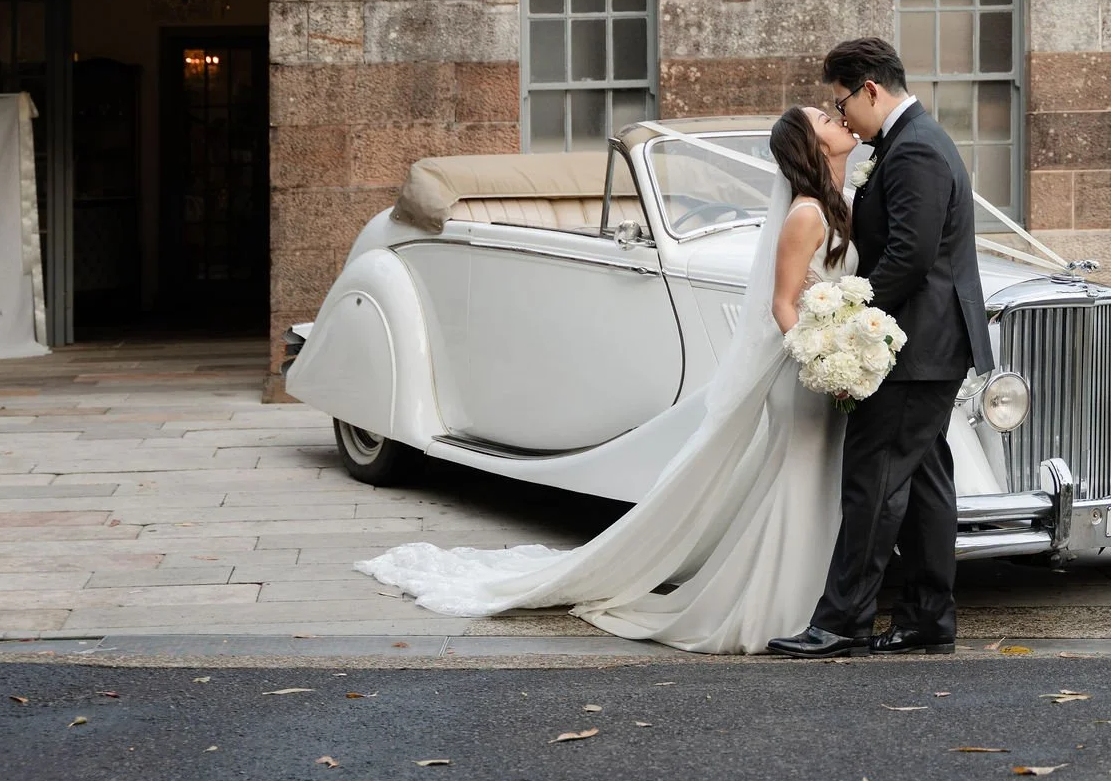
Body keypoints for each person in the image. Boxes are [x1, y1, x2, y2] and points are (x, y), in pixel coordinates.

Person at [355, 106, 860, 654]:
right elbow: (782, 303)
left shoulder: (840, 205)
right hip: (804, 369)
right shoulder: (805, 215)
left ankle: (816, 602)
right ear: (811, 147)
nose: (839, 121)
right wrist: (821, 358)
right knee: (800, 481)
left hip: (827, 365)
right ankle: (779, 608)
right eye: (825, 121)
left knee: (817, 483)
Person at [768, 37, 990, 658]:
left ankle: (844, 621)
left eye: (842, 103)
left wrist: (851, 326)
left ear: (870, 89)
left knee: (871, 482)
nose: (841, 118)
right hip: (926, 345)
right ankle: (926, 619)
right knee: (923, 482)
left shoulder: (914, 148)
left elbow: (910, 258)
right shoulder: (907, 142)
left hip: (912, 347)